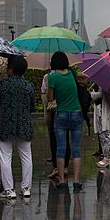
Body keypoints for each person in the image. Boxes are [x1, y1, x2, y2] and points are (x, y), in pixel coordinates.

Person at [0, 55, 35, 199]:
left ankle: (9, 190)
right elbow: (32, 107)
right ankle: (26, 188)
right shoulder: (28, 86)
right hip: (23, 124)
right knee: (26, 156)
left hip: (5, 124)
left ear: (10, 69)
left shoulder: (2, 85)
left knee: (5, 157)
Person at [46, 51, 83, 190]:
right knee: (76, 149)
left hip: (61, 114)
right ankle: (77, 181)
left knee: (61, 148)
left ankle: (62, 181)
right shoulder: (72, 73)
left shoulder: (52, 77)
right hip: (76, 112)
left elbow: (50, 98)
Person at [90, 82, 110, 169]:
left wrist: (92, 94)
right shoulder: (97, 83)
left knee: (105, 134)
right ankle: (106, 156)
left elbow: (100, 94)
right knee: (101, 134)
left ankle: (108, 158)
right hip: (98, 109)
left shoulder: (104, 84)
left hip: (103, 111)